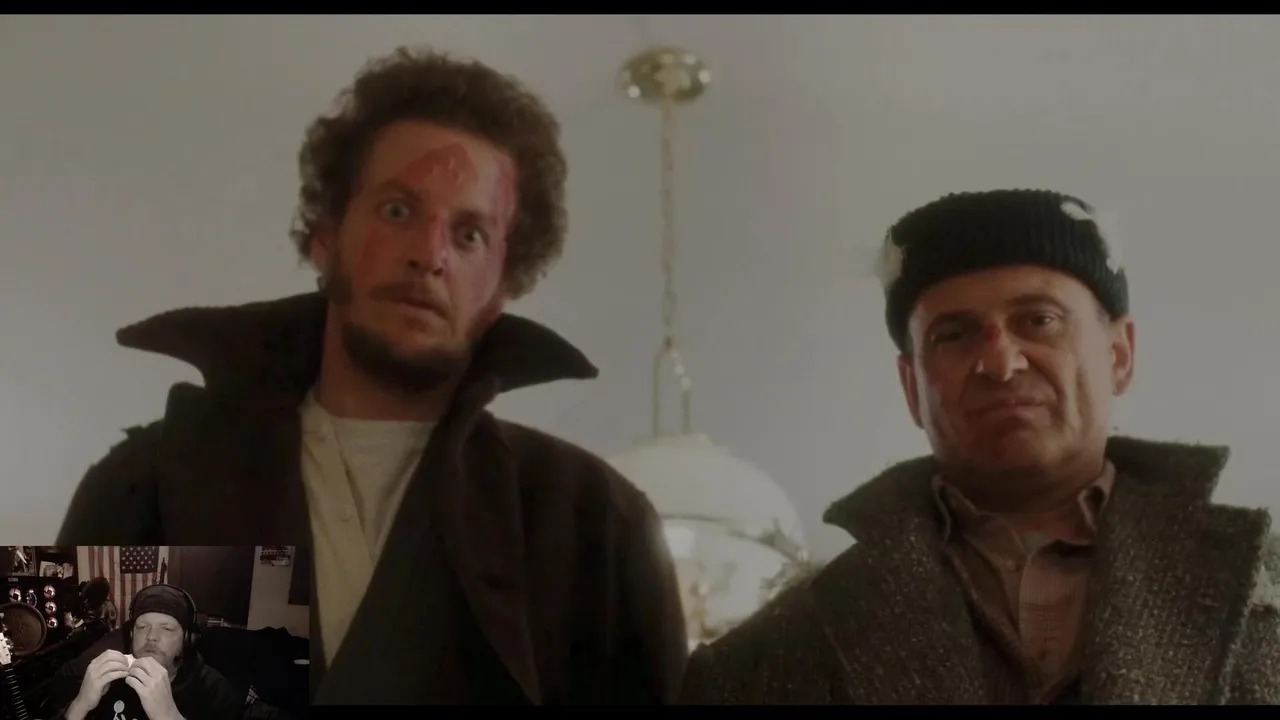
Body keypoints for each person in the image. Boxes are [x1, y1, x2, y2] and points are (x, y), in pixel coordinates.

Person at [56, 47, 687, 704]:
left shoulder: (591, 523)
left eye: (470, 234)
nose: (429, 254)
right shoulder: (149, 484)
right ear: (326, 236)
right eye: (398, 211)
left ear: (502, 286)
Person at [679, 189, 1280, 704]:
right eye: (954, 334)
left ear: (1119, 354)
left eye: (1039, 320)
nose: (1000, 362)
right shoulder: (772, 654)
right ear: (912, 387)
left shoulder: (1264, 588)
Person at [49, 584, 242, 720]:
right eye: (142, 627)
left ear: (186, 639)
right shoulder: (111, 680)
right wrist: (80, 705)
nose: (151, 636)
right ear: (132, 634)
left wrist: (168, 716)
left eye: (166, 628)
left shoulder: (215, 692)